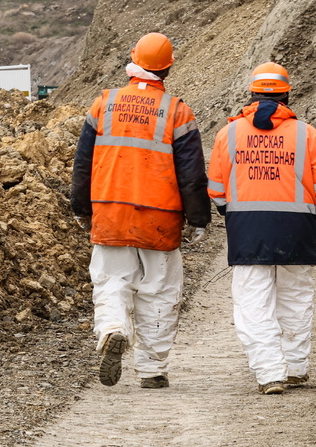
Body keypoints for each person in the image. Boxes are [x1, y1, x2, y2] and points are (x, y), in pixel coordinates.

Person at [70, 32, 211, 389]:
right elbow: (192, 174)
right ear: (168, 67)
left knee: (111, 281)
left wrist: (81, 207)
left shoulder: (104, 104)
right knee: (160, 292)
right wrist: (198, 218)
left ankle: (114, 329)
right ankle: (151, 369)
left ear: (133, 60)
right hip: (160, 220)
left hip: (110, 212)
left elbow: (83, 162)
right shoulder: (178, 112)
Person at [207, 62, 316, 395]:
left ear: (251, 94)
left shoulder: (229, 134)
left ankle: (270, 374)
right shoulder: (308, 134)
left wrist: (233, 215)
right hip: (297, 228)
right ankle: (295, 368)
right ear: (287, 95)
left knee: (253, 303)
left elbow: (217, 190)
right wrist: (312, 220)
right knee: (295, 298)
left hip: (248, 229)